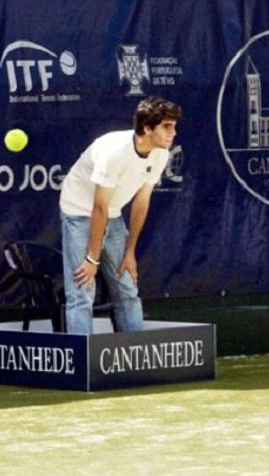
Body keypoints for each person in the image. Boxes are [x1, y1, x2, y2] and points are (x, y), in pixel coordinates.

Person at [58, 96, 181, 334]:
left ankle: (134, 356)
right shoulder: (113, 151)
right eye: (167, 127)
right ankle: (83, 361)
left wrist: (129, 252)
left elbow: (141, 203)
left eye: (174, 127)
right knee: (82, 292)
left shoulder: (161, 153)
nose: (173, 133)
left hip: (112, 215)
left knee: (127, 287)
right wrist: (92, 259)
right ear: (147, 128)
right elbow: (98, 208)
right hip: (78, 211)